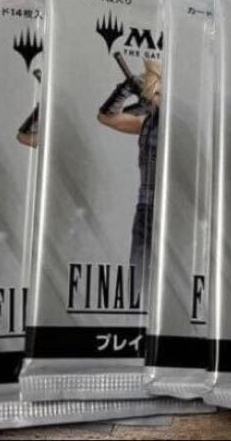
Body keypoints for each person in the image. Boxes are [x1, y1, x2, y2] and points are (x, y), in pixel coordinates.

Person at [97, 59, 162, 297]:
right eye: (155, 92)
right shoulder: (147, 121)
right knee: (137, 280)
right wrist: (125, 88)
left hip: (174, 211)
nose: (158, 97)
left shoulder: (180, 122)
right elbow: (107, 116)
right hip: (146, 208)